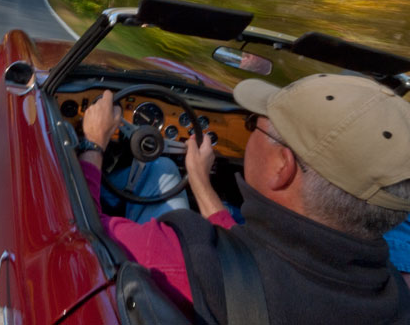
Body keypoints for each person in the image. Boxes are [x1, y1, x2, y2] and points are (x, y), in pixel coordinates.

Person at [78, 74, 410, 323]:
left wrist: (94, 144)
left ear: (283, 166)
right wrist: (200, 184)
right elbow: (247, 258)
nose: (251, 130)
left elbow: (79, 232)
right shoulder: (395, 295)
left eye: (255, 124)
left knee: (161, 169)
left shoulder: (181, 256)